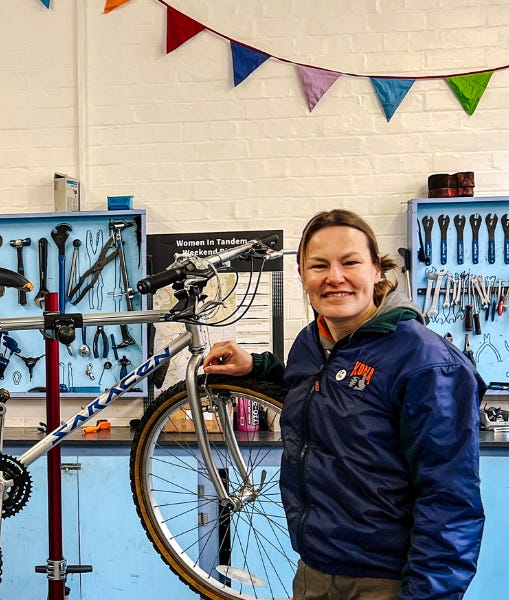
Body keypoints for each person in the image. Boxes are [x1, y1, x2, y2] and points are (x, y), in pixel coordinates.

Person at [203, 209, 484, 600]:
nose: (334, 277)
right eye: (319, 265)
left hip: (387, 582)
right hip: (313, 571)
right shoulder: (311, 343)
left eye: (350, 262)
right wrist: (258, 367)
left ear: (377, 270)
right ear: (302, 275)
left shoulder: (427, 363)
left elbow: (450, 501)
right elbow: (322, 393)